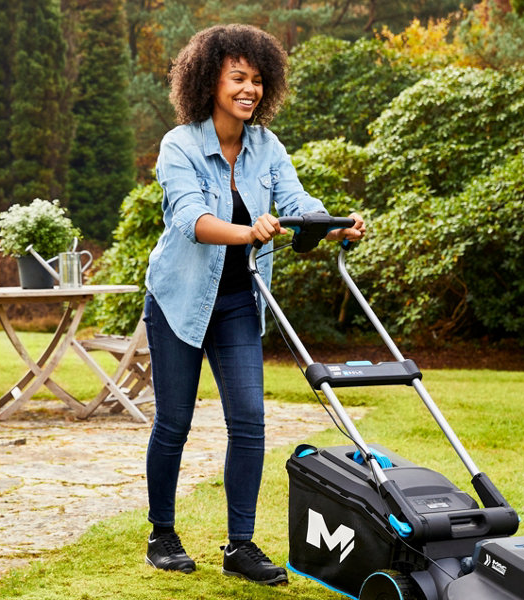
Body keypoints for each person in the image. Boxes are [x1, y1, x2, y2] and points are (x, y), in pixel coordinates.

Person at [140, 24, 364, 585]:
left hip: (239, 301)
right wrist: (249, 232)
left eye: (258, 80)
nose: (249, 89)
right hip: (180, 300)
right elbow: (192, 220)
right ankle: (161, 533)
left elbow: (296, 202)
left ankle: (240, 546)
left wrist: (333, 227)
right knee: (174, 422)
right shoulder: (180, 145)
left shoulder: (266, 146)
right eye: (237, 77)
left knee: (250, 422)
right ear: (208, 79)